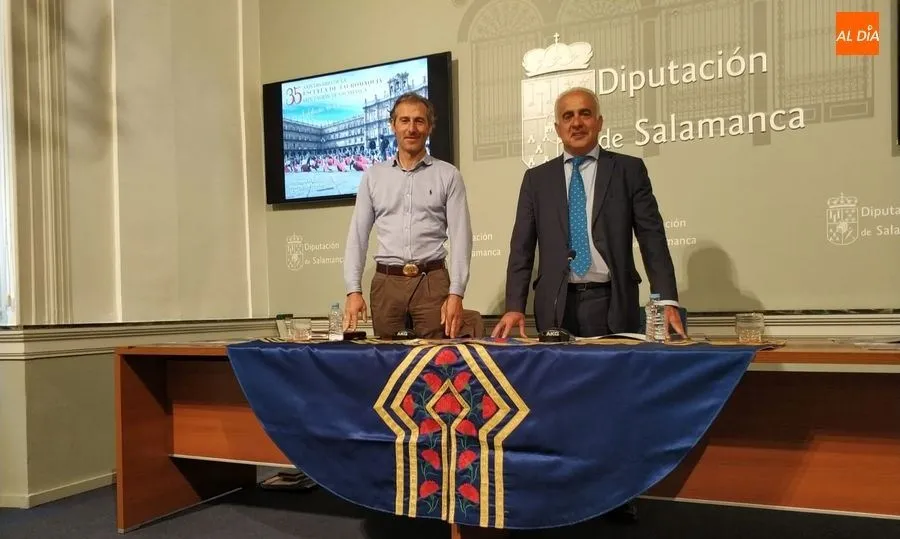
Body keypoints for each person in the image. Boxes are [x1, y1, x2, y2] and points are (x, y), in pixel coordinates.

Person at [492, 87, 686, 522]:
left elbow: (652, 238)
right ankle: (560, 493)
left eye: (584, 114)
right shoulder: (536, 178)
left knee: (612, 406)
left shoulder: (629, 170)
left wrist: (666, 297)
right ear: (556, 126)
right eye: (567, 116)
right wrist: (513, 305)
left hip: (611, 304)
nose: (576, 122)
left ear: (599, 122)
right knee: (554, 405)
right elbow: (521, 248)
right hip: (556, 307)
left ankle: (615, 495)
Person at [343, 92, 472, 339]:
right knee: (387, 368)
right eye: (404, 121)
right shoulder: (373, 177)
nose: (411, 128)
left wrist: (456, 293)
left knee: (434, 365)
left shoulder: (449, 175)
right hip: (386, 285)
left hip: (432, 284)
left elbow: (461, 237)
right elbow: (357, 236)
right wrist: (353, 291)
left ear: (430, 127)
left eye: (419, 121)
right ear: (393, 125)